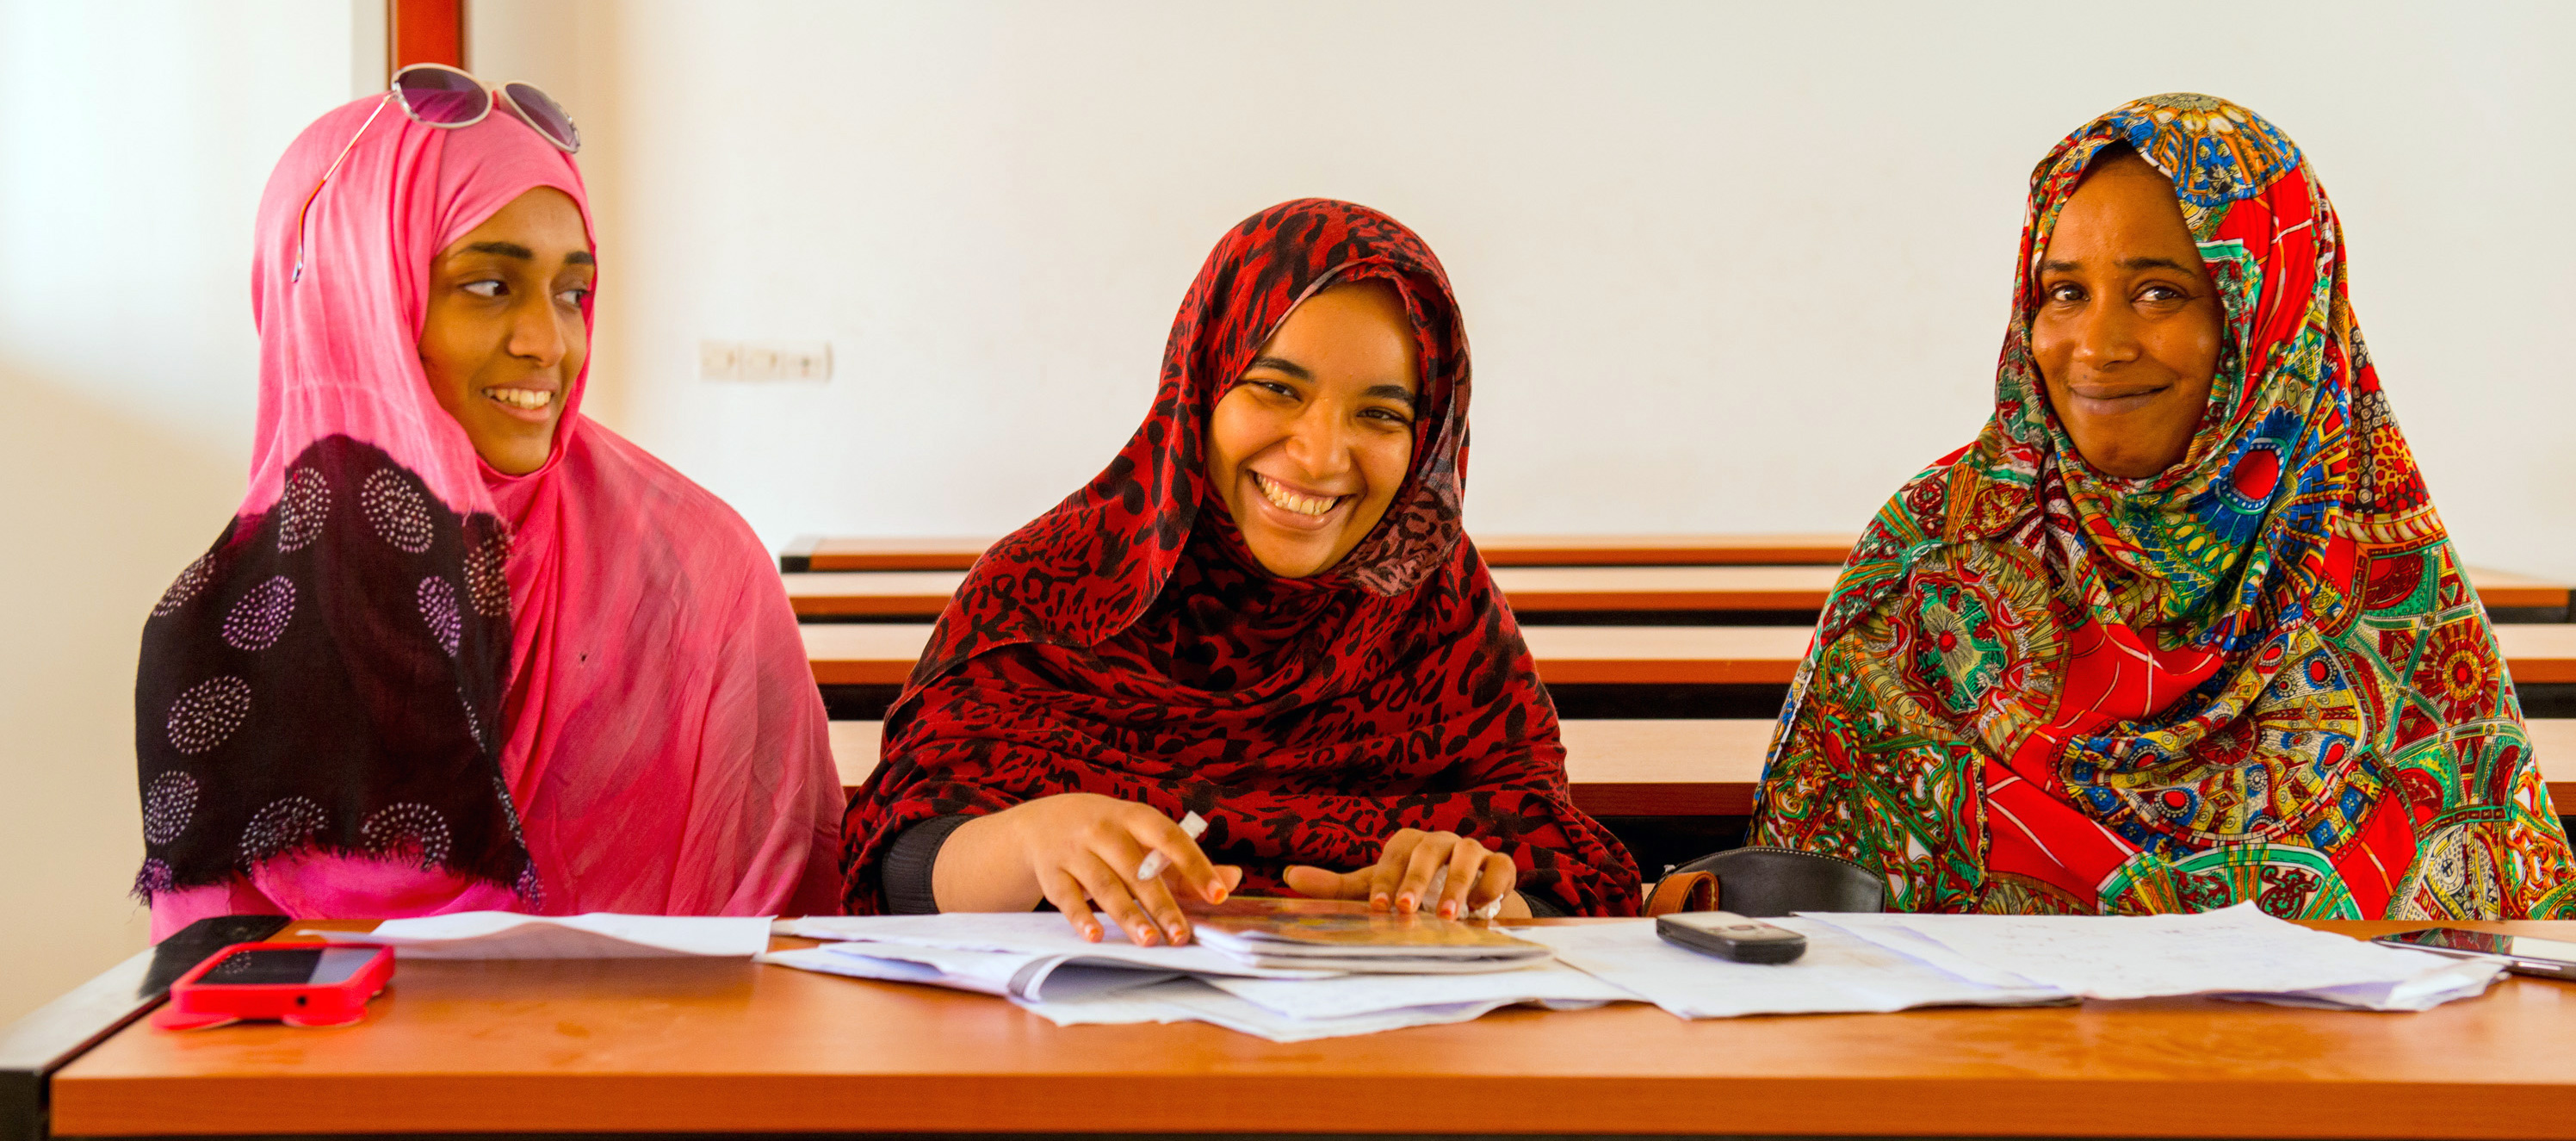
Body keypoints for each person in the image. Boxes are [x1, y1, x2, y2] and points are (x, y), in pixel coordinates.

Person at [1749, 93, 2576, 918]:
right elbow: (1800, 924)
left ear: (2272, 315)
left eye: (2158, 294)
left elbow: (2493, 973)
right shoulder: (1930, 559)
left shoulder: (2396, 593)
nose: (2099, 347)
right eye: (2065, 292)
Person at [135, 73, 842, 939]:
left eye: (572, 292)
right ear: (354, 297)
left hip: (658, 1064)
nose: (550, 342)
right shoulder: (226, 629)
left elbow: (786, 950)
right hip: (324, 1074)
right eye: (488, 286)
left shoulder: (696, 572)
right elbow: (213, 1008)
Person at [839, 199, 1639, 942]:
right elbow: (894, 862)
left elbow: (1566, 875)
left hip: (1381, 1066)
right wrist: (1023, 840)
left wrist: (1476, 897)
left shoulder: (1442, 618)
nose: (1322, 454)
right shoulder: (1050, 590)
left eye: (1382, 414)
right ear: (1200, 385)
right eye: (1274, 389)